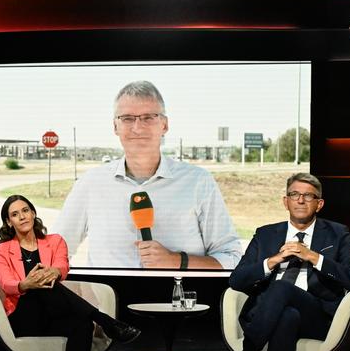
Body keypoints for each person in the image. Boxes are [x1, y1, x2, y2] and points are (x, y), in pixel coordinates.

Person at [204, 172, 350, 351]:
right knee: (286, 316)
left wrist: (314, 257)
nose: (300, 200)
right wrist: (274, 260)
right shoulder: (266, 234)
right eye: (294, 194)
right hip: (271, 315)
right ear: (285, 201)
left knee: (282, 288)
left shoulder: (337, 233)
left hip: (315, 315)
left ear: (319, 204)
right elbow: (237, 280)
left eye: (308, 196)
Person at [54, 81, 241, 269]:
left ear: (164, 125)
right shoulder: (91, 183)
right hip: (108, 290)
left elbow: (231, 258)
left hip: (177, 289)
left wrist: (176, 261)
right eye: (127, 118)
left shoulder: (198, 182)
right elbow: (54, 254)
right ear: (115, 126)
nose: (137, 127)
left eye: (148, 117)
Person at [0, 195, 140, 351]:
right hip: (24, 316)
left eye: (25, 210)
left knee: (81, 324)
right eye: (15, 214)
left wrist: (53, 272)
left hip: (53, 312)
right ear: (9, 222)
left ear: (33, 213)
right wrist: (25, 284)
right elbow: (5, 282)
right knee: (42, 286)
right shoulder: (2, 250)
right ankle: (106, 322)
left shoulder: (55, 241)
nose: (22, 217)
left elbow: (62, 266)